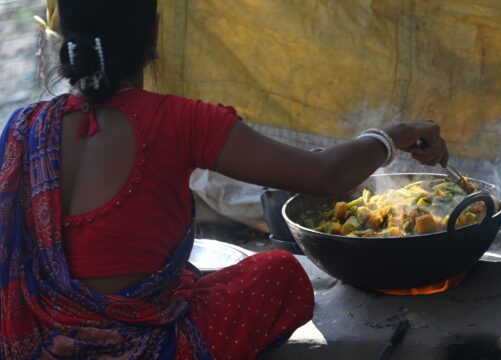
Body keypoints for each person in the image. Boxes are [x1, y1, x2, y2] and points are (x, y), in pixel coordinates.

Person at [0, 0, 448, 359]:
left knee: (191, 274)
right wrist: (398, 134)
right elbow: (326, 175)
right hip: (145, 347)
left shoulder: (23, 127)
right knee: (279, 272)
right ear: (153, 31)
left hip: (35, 336)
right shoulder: (178, 120)